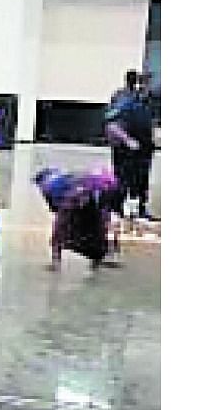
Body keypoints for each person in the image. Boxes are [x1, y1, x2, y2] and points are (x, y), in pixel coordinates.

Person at [34, 167, 119, 271]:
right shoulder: (64, 180)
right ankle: (97, 259)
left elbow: (56, 211)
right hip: (82, 197)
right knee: (95, 230)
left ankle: (57, 262)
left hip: (78, 198)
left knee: (62, 230)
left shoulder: (50, 185)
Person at [105, 70, 157, 220]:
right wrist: (127, 140)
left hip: (145, 148)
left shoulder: (147, 101)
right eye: (145, 83)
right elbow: (112, 124)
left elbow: (151, 121)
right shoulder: (123, 98)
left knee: (141, 181)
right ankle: (115, 211)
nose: (148, 86)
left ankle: (139, 210)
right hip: (126, 149)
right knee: (122, 179)